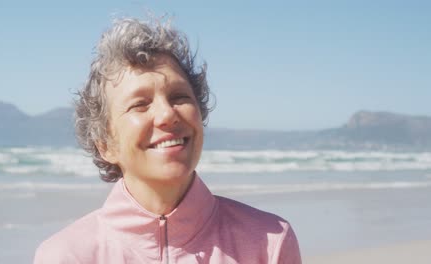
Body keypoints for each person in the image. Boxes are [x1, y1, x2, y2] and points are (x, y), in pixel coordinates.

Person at [34, 17, 302, 264]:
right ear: (105, 144)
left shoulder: (267, 243)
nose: (167, 114)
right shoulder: (66, 255)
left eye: (179, 97)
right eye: (140, 104)